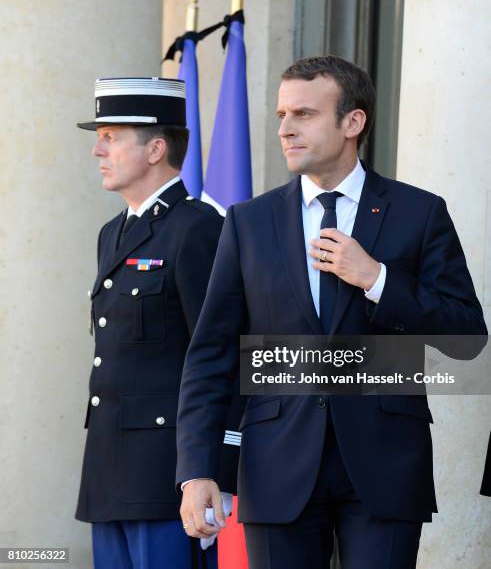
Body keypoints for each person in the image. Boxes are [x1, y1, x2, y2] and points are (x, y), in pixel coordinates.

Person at [176, 56, 488, 569]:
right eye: (281, 115)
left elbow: (467, 339)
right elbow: (210, 354)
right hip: (275, 464)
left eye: (303, 114)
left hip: (386, 463)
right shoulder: (248, 222)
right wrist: (198, 470)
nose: (285, 129)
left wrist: (378, 280)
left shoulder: (419, 212)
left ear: (352, 122)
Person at [75, 77, 234, 569]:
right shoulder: (113, 233)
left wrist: (213, 471)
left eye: (113, 135)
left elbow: (221, 351)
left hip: (169, 475)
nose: (98, 149)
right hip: (111, 469)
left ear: (156, 148)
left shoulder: (197, 228)